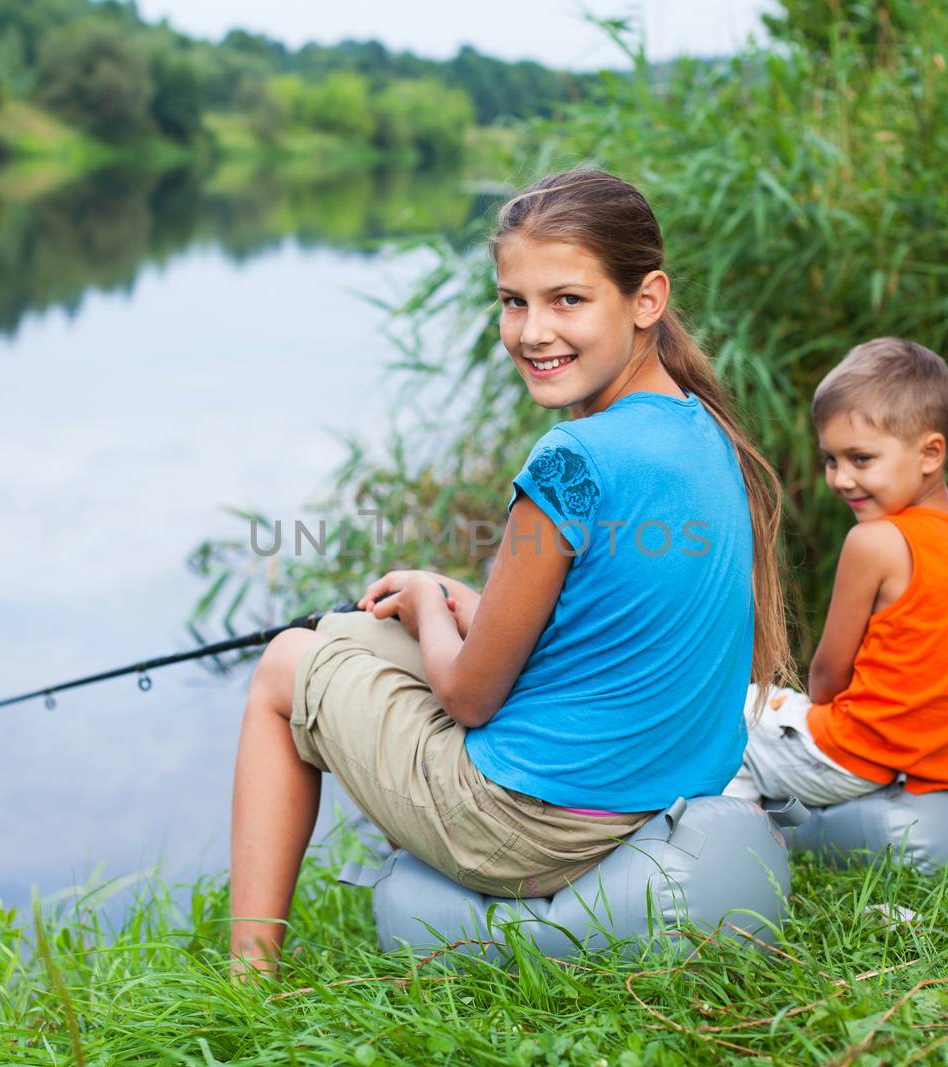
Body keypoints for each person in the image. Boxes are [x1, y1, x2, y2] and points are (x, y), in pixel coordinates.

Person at [226, 169, 794, 974]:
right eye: (512, 300)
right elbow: (607, 607)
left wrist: (427, 599)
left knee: (286, 662)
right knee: (350, 630)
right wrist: (466, 602)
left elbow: (468, 696)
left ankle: (249, 973)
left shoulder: (572, 458)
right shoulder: (702, 428)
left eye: (567, 300)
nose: (532, 331)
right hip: (651, 788)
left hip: (535, 824)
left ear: (647, 299)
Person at [725, 337, 948, 807]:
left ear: (930, 454)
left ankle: (742, 837)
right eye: (831, 459)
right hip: (943, 760)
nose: (841, 478)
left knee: (728, 715)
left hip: (857, 756)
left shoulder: (874, 542)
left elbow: (825, 679)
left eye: (861, 459)